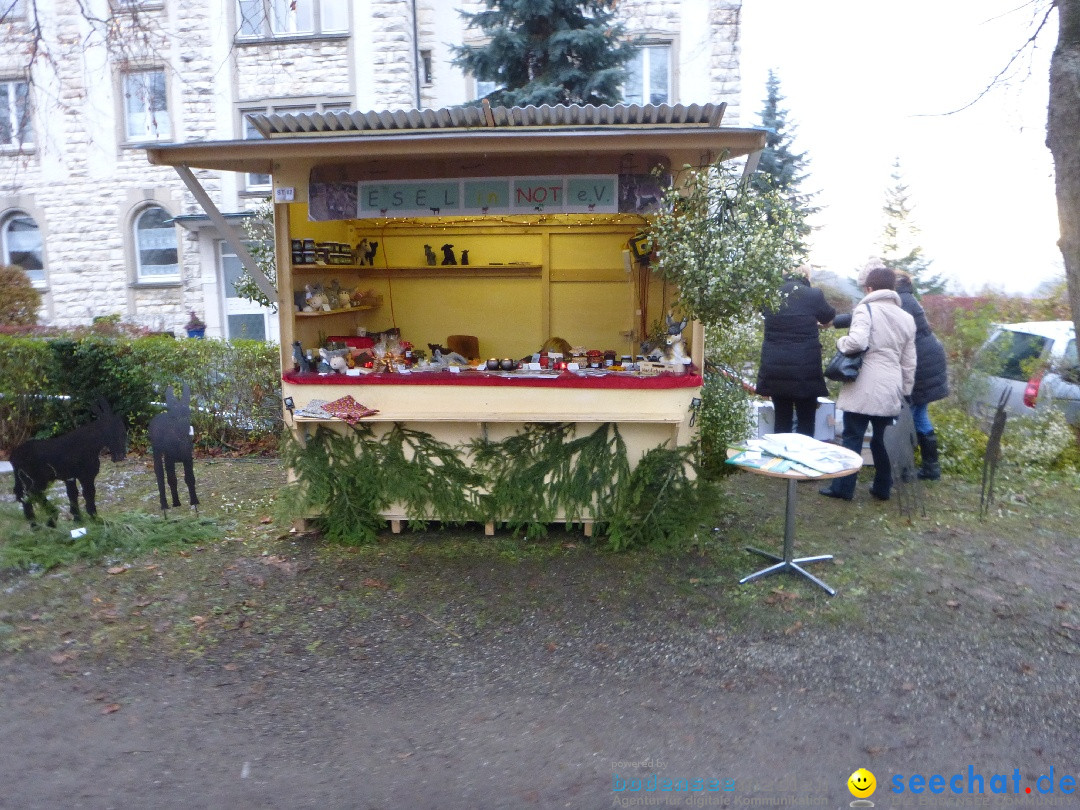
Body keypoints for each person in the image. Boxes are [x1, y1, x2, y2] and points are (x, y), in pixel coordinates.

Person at [819, 261, 916, 501]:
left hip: (865, 384)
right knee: (882, 440)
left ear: (870, 289)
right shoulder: (906, 318)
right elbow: (909, 361)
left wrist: (840, 342)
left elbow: (857, 343)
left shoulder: (866, 310)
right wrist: (905, 389)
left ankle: (843, 488)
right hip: (891, 386)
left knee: (852, 437)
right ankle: (883, 488)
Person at [755, 267, 836, 436]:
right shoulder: (813, 295)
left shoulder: (770, 294)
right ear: (806, 275)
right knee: (806, 420)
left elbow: (764, 313)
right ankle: (801, 459)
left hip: (775, 366)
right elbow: (828, 317)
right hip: (805, 367)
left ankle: (779, 459)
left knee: (781, 418)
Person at [895, 271, 949, 480]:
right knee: (918, 415)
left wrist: (837, 321)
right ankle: (930, 468)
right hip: (928, 359)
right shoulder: (908, 299)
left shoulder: (901, 301)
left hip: (921, 364)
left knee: (908, 415)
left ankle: (908, 469)